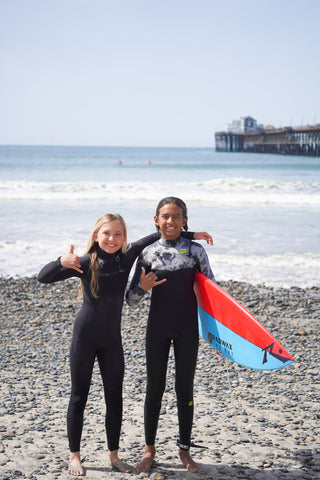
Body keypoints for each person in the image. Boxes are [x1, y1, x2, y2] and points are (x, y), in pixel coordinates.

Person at [37, 212, 212, 477]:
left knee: (115, 399)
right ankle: (74, 455)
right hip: (84, 337)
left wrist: (191, 234)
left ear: (124, 237)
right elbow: (43, 277)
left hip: (111, 340)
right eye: (106, 233)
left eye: (118, 234)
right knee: (78, 396)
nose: (112, 238)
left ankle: (114, 456)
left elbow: (159, 234)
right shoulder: (84, 262)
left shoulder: (128, 256)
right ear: (96, 236)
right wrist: (61, 260)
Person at [126, 197, 215, 474]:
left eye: (176, 217)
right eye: (165, 216)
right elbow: (130, 299)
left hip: (187, 327)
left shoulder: (196, 251)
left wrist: (228, 329)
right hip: (158, 328)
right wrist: (141, 288)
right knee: (154, 388)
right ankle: (149, 449)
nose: (170, 221)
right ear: (156, 220)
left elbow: (212, 290)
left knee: (184, 388)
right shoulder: (148, 254)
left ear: (184, 220)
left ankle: (184, 451)